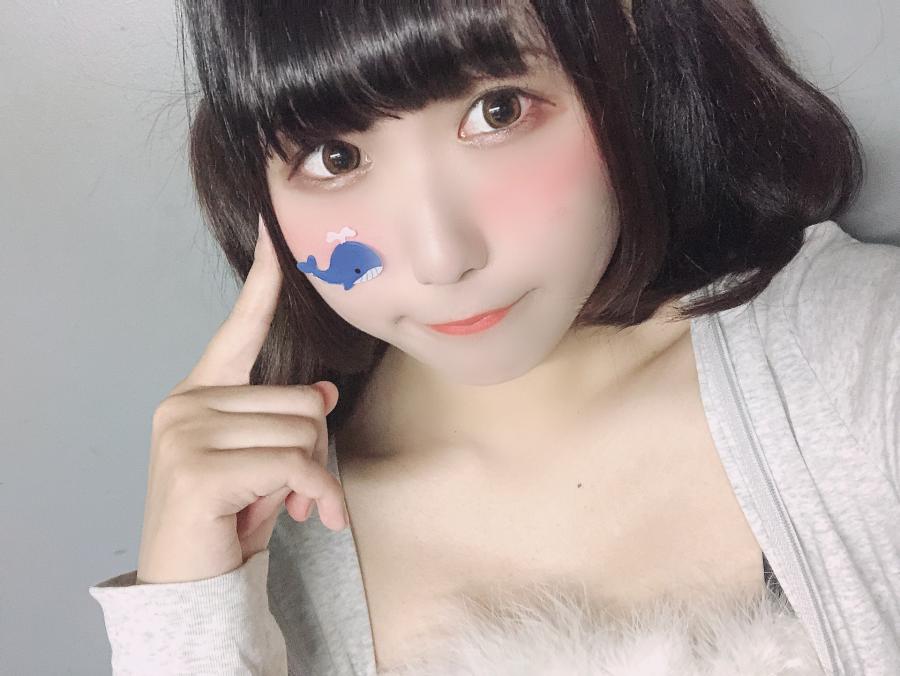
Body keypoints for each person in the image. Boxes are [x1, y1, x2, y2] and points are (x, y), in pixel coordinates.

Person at [89, 1, 900, 674]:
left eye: (498, 111)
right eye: (335, 156)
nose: (442, 258)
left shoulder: (859, 362)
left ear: (625, 54)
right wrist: (188, 619)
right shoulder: (264, 545)